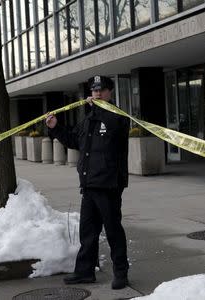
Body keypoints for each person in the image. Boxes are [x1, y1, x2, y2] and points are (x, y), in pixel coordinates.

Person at [45, 75, 130, 290]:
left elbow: (116, 133)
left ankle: (121, 273)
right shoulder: (88, 118)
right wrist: (55, 128)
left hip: (109, 184)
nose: (97, 94)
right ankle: (85, 272)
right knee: (87, 231)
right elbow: (75, 141)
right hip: (90, 185)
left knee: (113, 230)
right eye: (94, 90)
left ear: (110, 92)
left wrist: (99, 110)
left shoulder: (116, 117)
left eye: (101, 90)